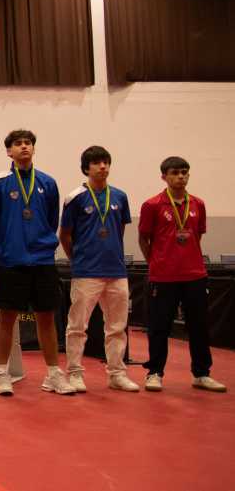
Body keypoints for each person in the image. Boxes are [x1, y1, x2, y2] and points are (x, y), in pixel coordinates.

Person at [0, 129, 75, 395]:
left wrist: (42, 244)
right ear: (8, 151)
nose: (24, 147)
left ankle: (53, 374)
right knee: (7, 317)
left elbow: (51, 220)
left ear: (33, 148)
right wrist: (2, 249)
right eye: (18, 144)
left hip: (43, 260)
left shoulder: (48, 183)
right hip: (12, 260)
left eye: (28, 143)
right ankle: (2, 374)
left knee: (46, 316)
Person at [138, 156, 226, 393]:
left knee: (199, 326)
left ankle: (201, 374)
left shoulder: (198, 204)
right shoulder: (152, 205)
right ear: (164, 176)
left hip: (194, 276)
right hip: (163, 277)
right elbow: (144, 238)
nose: (181, 177)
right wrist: (156, 263)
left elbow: (197, 236)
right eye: (175, 173)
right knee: (159, 327)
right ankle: (154, 373)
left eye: (184, 172)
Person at [60, 146, 139, 393]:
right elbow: (65, 235)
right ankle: (74, 373)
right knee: (77, 327)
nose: (102, 167)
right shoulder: (75, 198)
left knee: (117, 327)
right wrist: (77, 260)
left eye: (105, 162)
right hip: (86, 271)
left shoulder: (120, 197)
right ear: (86, 168)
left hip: (116, 271)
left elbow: (118, 231)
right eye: (96, 163)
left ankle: (117, 374)